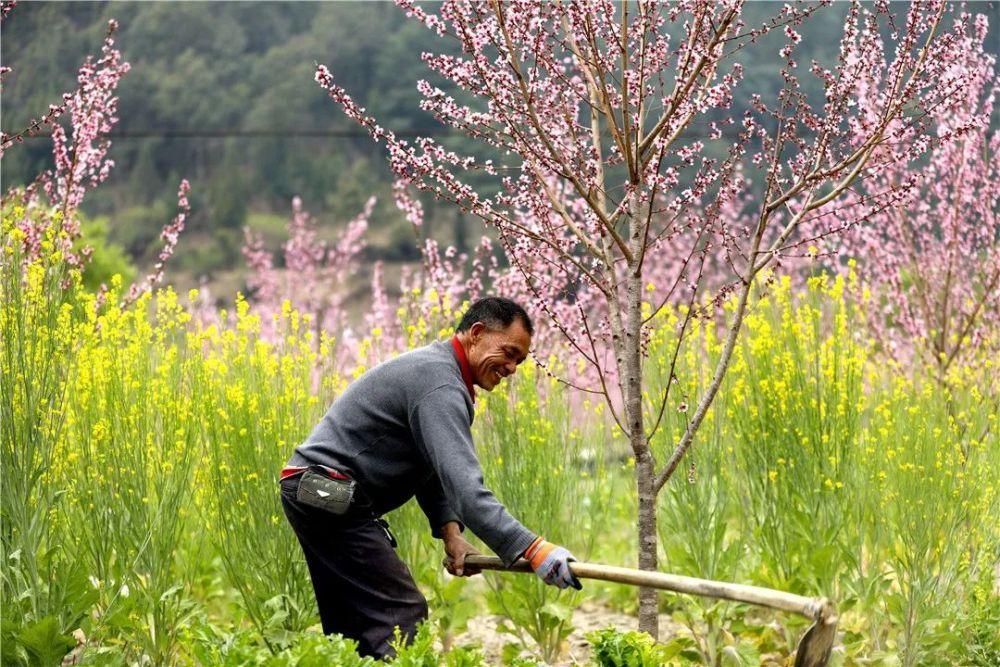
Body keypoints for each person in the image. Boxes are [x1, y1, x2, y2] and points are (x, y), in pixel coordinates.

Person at [279, 296, 580, 659]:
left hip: (311, 488)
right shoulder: (441, 384)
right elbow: (467, 492)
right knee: (400, 614)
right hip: (327, 489)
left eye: (520, 360)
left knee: (351, 624)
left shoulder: (440, 372)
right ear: (477, 333)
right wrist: (533, 549)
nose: (513, 367)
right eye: (509, 352)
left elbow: (430, 469)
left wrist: (451, 534)